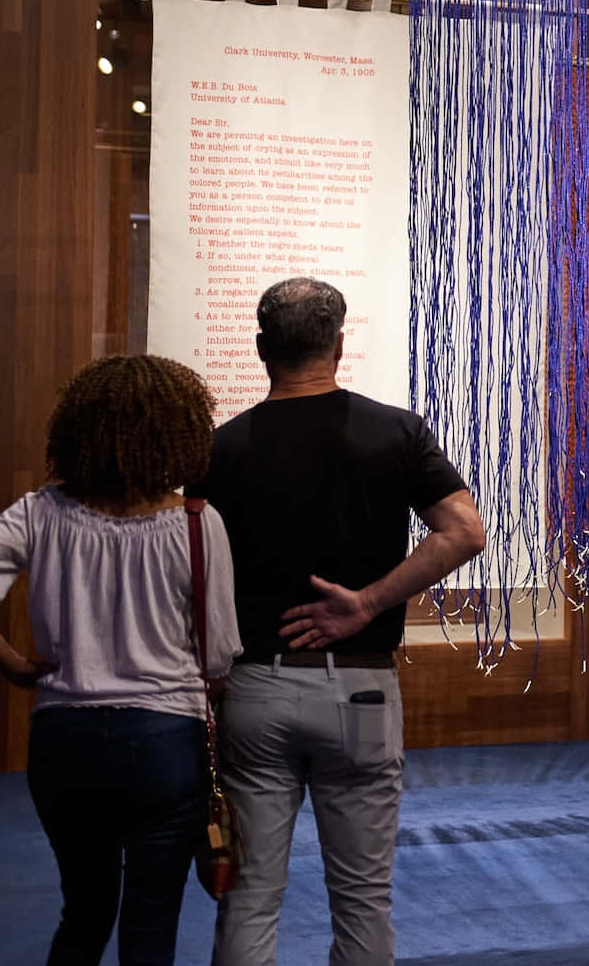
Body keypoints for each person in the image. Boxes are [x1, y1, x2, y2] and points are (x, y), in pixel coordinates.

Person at [0, 355, 241, 966]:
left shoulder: (40, 513)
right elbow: (220, 660)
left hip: (63, 737)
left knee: (84, 910)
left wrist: (11, 663)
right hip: (164, 740)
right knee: (151, 923)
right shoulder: (199, 524)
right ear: (181, 431)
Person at [204, 277, 483, 966]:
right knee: (363, 898)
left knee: (249, 895)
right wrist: (366, 602)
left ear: (262, 347)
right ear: (338, 342)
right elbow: (465, 531)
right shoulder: (394, 431)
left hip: (255, 689)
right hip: (359, 690)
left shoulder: (219, 449)